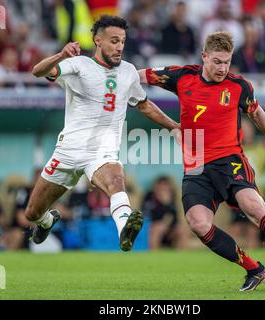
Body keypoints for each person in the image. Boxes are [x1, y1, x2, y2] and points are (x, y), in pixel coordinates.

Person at [139, 31, 265, 291]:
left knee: (254, 207)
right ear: (204, 56)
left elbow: (257, 112)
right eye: (216, 61)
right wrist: (113, 79)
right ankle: (254, 269)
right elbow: (139, 75)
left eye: (226, 62)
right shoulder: (182, 77)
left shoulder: (239, 86)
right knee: (198, 224)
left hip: (230, 160)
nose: (222, 68)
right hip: (196, 168)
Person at [29, 15, 179, 251]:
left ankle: (125, 231)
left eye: (122, 41)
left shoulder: (128, 72)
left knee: (116, 181)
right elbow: (37, 71)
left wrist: (174, 126)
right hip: (68, 151)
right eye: (114, 41)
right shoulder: (79, 64)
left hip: (102, 152)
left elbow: (143, 104)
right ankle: (46, 221)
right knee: (32, 212)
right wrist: (61, 55)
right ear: (98, 41)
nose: (119, 47)